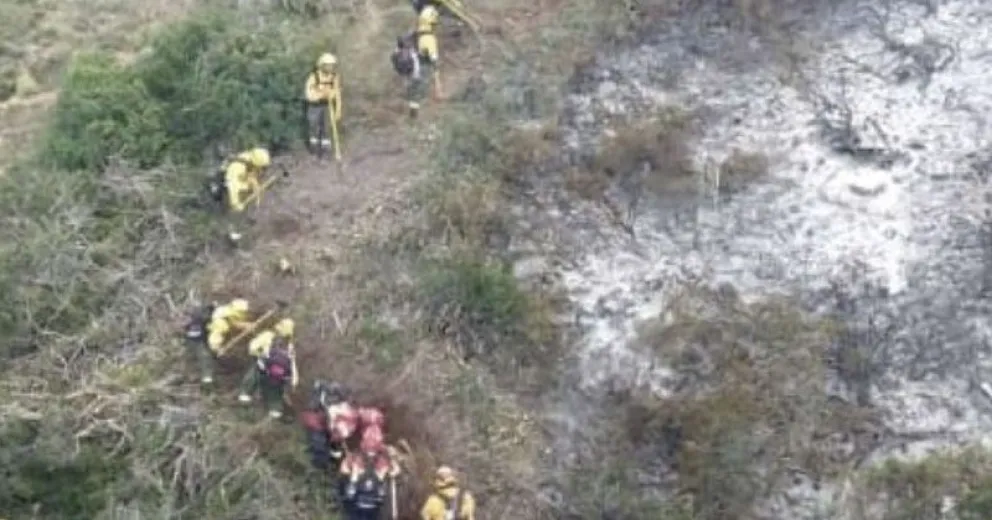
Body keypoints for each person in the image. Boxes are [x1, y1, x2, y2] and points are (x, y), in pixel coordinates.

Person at [238, 318, 297, 418]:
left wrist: (259, 354)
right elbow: (292, 364)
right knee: (274, 395)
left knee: (252, 376)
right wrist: (293, 381)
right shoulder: (290, 345)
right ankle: (274, 414)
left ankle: (245, 398)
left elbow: (252, 348)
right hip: (278, 378)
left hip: (262, 369)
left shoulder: (268, 335)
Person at [340, 424, 400, 519]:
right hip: (375, 501)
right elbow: (396, 471)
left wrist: (353, 472)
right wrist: (392, 459)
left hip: (356, 500)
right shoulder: (384, 459)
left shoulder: (356, 456)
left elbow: (343, 469)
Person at [300, 380, 359, 471]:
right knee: (319, 443)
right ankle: (320, 467)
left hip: (323, 421)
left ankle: (330, 457)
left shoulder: (343, 407)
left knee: (328, 441)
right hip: (316, 422)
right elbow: (331, 422)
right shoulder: (330, 406)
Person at [222, 147, 271, 242]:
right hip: (228, 184)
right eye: (262, 168)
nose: (263, 170)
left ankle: (247, 214)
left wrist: (257, 196)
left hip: (241, 179)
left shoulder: (251, 161)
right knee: (235, 206)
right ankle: (232, 226)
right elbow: (232, 187)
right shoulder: (237, 168)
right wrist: (236, 204)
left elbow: (252, 177)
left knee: (250, 190)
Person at [203, 298, 254, 383]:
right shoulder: (221, 322)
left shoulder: (230, 314)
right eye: (243, 312)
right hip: (212, 345)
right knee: (212, 358)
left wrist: (247, 326)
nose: (244, 314)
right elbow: (215, 336)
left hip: (222, 342)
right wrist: (217, 348)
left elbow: (235, 323)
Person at [406, 6, 443, 117]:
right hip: (423, 68)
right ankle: (416, 114)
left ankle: (413, 111)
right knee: (421, 86)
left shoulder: (417, 35)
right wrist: (438, 87)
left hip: (415, 67)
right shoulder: (429, 39)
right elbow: (434, 63)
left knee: (415, 88)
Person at [304, 53, 343, 155]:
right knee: (313, 125)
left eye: (332, 65)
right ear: (322, 65)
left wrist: (338, 110)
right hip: (315, 106)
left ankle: (326, 151)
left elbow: (337, 93)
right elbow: (309, 94)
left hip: (327, 106)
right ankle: (314, 149)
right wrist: (321, 95)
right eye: (327, 65)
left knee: (327, 127)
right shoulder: (314, 77)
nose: (330, 67)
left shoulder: (334, 77)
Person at [182, 302, 217, 384]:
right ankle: (206, 378)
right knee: (204, 357)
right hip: (197, 339)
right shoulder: (203, 316)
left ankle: (199, 376)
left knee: (196, 357)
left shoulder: (197, 315)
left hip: (193, 338)